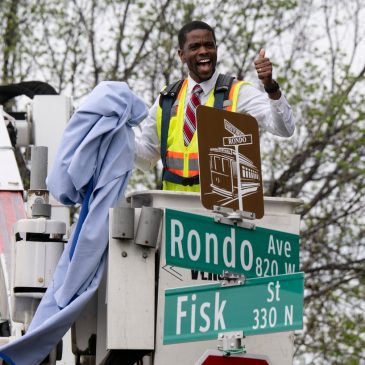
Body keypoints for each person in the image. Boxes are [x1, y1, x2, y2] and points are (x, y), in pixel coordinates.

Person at [135, 20, 294, 191]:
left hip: (220, 212)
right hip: (175, 210)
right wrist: (116, 135)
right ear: (181, 55)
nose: (203, 51)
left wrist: (271, 87)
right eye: (195, 47)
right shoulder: (167, 98)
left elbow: (285, 129)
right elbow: (146, 159)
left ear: (216, 50)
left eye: (209, 45)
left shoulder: (237, 92)